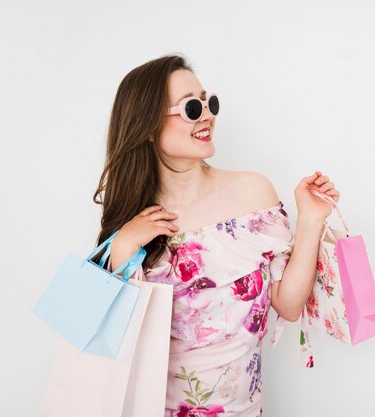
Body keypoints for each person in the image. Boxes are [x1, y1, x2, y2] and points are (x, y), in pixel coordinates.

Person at [92, 53, 340, 417]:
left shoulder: (253, 192)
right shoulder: (131, 221)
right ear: (147, 127)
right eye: (191, 107)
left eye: (209, 103)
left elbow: (288, 305)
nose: (207, 114)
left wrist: (311, 221)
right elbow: (93, 332)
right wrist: (125, 244)